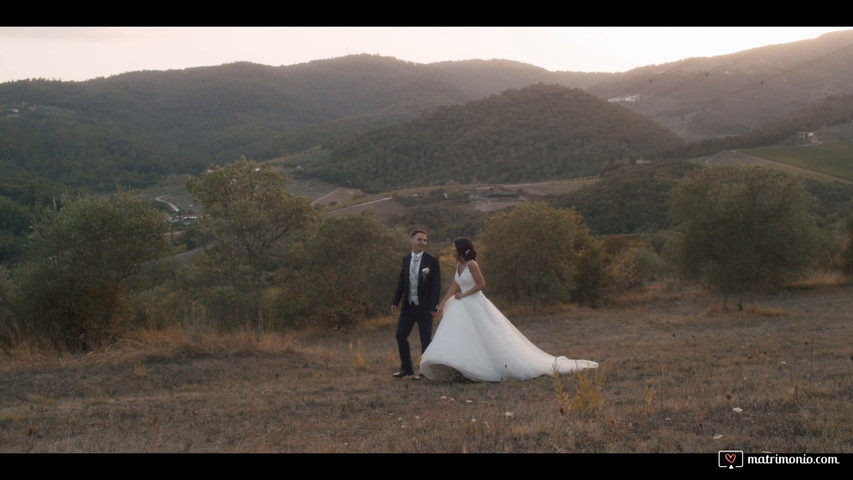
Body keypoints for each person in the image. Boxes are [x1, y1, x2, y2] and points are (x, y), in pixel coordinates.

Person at [420, 237, 598, 382]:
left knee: (489, 336)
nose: (451, 249)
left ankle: (492, 366)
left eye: (453, 247)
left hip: (475, 303)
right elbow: (453, 287)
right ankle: (459, 366)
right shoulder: (457, 266)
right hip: (461, 304)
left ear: (461, 249)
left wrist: (464, 296)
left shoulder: (472, 264)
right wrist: (442, 305)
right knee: (461, 335)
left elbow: (482, 284)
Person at [390, 228, 442, 379]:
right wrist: (395, 301)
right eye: (419, 239)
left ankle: (425, 371)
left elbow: (436, 285)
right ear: (412, 240)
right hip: (408, 306)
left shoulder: (431, 261)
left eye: (425, 240)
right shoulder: (405, 259)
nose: (422, 243)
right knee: (400, 335)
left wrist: (434, 306)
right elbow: (402, 282)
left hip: (425, 308)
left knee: (425, 339)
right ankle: (406, 368)